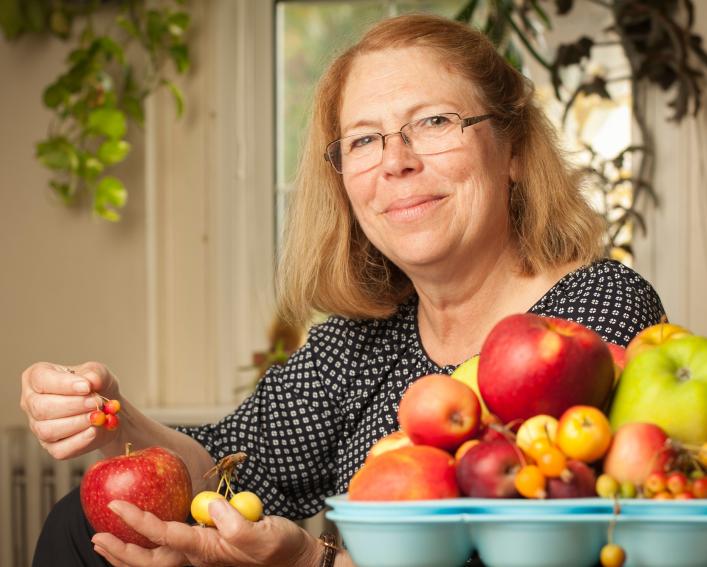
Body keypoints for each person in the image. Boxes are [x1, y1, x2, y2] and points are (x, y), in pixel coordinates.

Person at [21, 13, 665, 567]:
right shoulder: (359, 345)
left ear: (515, 150)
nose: (395, 161)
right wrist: (108, 415)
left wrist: (309, 560)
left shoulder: (592, 312)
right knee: (80, 526)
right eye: (363, 139)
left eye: (435, 121)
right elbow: (226, 471)